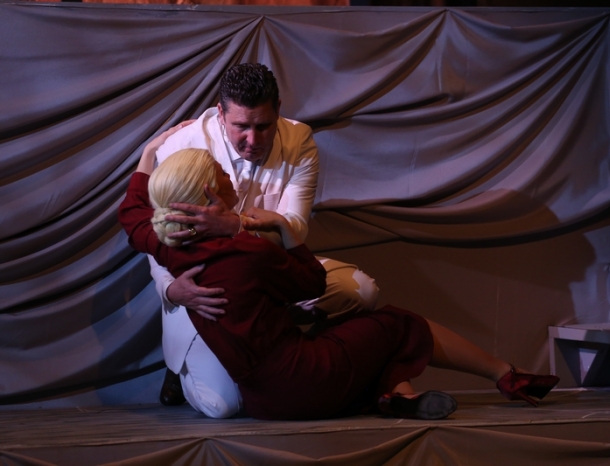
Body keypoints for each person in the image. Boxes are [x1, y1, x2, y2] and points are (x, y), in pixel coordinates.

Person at [119, 142, 560, 420]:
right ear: (209, 193)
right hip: (304, 383)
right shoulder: (249, 253)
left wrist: (147, 157)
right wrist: (281, 229)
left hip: (264, 401)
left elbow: (133, 218)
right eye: (220, 172)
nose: (229, 175)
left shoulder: (171, 248)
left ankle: (395, 396)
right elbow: (312, 283)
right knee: (395, 322)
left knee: (346, 332)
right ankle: (506, 374)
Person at [148, 63, 379, 417]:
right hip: (209, 292)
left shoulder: (299, 140)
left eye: (263, 126)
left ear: (278, 110)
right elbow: (157, 233)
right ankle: (184, 368)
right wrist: (169, 289)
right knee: (223, 406)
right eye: (241, 126)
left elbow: (295, 226)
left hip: (269, 274)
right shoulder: (183, 145)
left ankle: (300, 358)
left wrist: (235, 226)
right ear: (221, 113)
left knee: (361, 291)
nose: (253, 141)